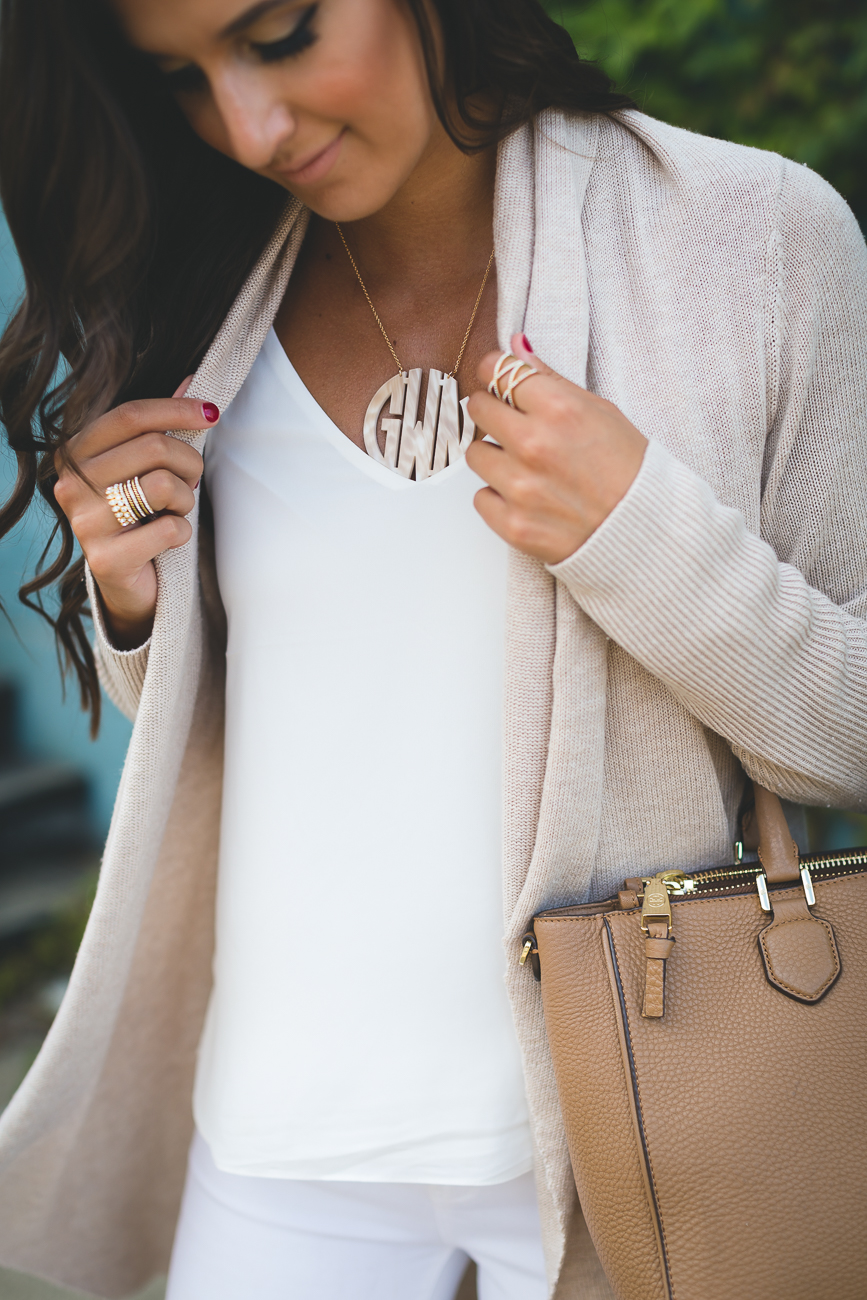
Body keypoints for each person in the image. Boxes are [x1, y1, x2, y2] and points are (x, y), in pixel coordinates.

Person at [0, 0, 865, 1297]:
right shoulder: (208, 283)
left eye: (281, 34)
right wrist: (134, 600)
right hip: (276, 1140)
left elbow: (849, 737)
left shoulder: (753, 237)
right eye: (181, 81)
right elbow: (270, 711)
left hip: (628, 1127)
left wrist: (644, 537)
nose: (248, 125)